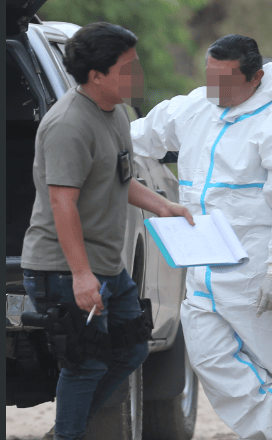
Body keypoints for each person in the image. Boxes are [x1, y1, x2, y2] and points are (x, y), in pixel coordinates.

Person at [130, 35, 272, 440]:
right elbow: (135, 137)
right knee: (208, 354)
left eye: (225, 81)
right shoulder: (193, 108)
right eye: (210, 77)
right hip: (203, 266)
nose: (215, 90)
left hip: (259, 268)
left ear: (256, 77)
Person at [20, 22, 194, 440]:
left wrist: (163, 205)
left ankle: (66, 430)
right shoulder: (68, 125)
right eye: (126, 67)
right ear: (96, 75)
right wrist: (81, 276)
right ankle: (70, 434)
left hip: (107, 266)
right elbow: (63, 204)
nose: (135, 75)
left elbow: (119, 177)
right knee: (87, 363)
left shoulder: (114, 113)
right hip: (65, 268)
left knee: (134, 347)